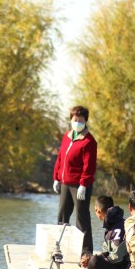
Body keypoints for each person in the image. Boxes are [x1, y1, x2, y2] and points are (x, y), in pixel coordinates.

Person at [52, 105, 97, 257]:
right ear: (71, 120)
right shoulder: (67, 136)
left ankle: (85, 253)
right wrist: (57, 178)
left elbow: (89, 166)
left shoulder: (89, 141)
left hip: (80, 185)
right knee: (62, 216)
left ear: (85, 121)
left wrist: (84, 184)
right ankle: (59, 249)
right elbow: (60, 158)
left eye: (80, 120)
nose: (77, 122)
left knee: (81, 218)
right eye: (75, 120)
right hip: (65, 182)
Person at [80, 195, 130, 269]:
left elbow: (117, 258)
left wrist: (94, 259)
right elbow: (107, 252)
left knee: (94, 261)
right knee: (92, 260)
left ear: (97, 210)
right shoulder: (111, 225)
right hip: (114, 265)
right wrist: (90, 257)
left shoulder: (119, 227)